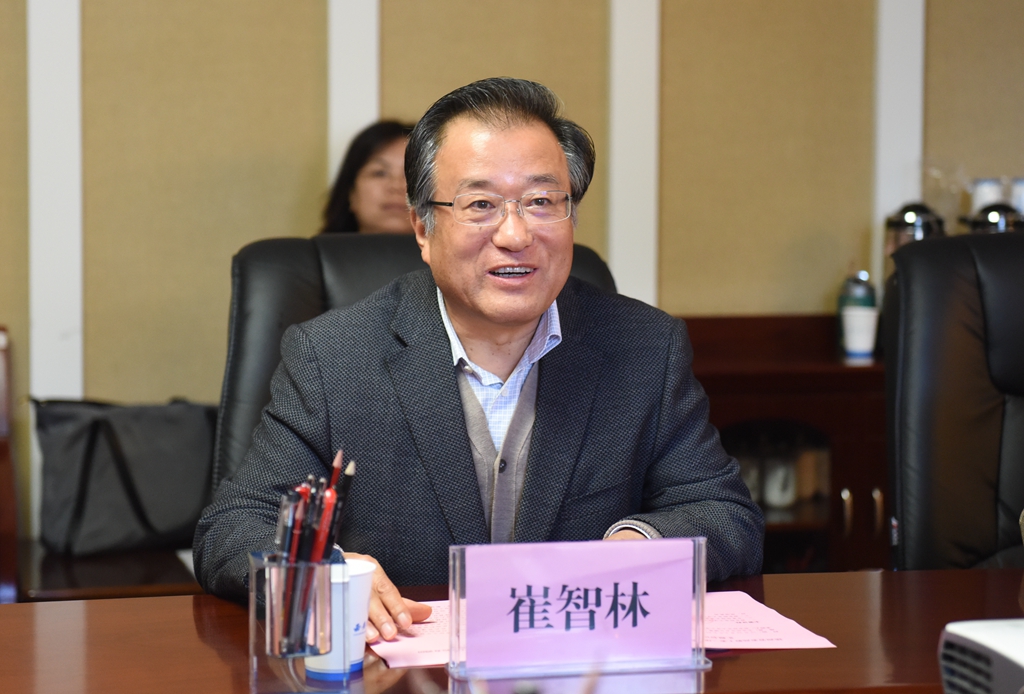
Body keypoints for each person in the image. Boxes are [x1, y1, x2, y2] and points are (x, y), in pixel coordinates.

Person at [194, 77, 763, 643]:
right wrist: (328, 574)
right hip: (402, 670)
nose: (515, 234)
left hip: (578, 665)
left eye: (542, 202)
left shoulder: (644, 347)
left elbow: (722, 512)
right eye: (481, 205)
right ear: (423, 227)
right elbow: (233, 527)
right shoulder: (334, 356)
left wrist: (638, 547)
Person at [320, 120, 414, 235]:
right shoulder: (313, 247)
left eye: (412, 175)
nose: (396, 186)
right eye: (380, 173)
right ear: (351, 193)